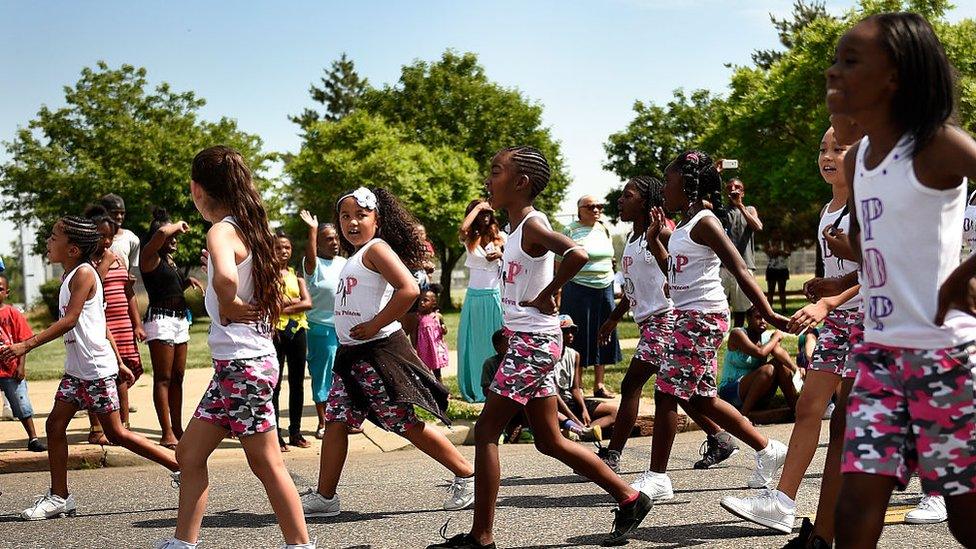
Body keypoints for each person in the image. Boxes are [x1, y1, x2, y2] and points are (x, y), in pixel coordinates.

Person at [429, 147, 651, 549]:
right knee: (549, 440)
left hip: (533, 344)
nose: (487, 179)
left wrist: (550, 292)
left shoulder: (532, 224)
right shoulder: (514, 230)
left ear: (521, 183)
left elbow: (577, 253)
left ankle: (482, 537)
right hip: (531, 341)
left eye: (495, 171)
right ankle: (630, 498)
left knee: (485, 432)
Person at [823, 13, 976, 548]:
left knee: (966, 518)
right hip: (879, 356)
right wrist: (850, 269)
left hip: (946, 359)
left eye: (850, 61)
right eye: (834, 60)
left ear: (894, 77)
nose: (834, 72)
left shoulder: (938, 145)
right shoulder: (861, 158)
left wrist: (965, 273)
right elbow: (872, 243)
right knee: (855, 508)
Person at [158, 146, 312, 549]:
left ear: (197, 189)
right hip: (240, 366)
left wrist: (228, 302)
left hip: (242, 367)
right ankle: (183, 543)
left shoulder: (222, 231)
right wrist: (231, 297)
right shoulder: (251, 230)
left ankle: (300, 545)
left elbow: (227, 279)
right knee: (189, 454)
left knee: (266, 462)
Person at [721, 123, 865, 546]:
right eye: (823, 148)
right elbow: (847, 272)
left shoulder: (867, 207)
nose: (827, 155)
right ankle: (781, 503)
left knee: (845, 426)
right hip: (839, 323)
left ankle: (831, 528)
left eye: (838, 149)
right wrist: (824, 286)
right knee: (808, 408)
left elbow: (880, 270)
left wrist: (830, 300)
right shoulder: (828, 210)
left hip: (870, 323)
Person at [301, 186, 475, 520]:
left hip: (376, 352)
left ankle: (467, 474)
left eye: (361, 216)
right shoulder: (356, 255)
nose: (352, 222)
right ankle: (325, 497)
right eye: (345, 216)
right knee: (336, 420)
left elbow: (408, 288)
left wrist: (374, 323)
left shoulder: (376, 248)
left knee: (403, 423)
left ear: (377, 220)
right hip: (352, 356)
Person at [630, 150, 790, 509]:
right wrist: (656, 239)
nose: (663, 190)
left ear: (687, 185)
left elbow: (740, 269)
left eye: (668, 182)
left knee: (667, 390)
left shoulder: (705, 221)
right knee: (700, 398)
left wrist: (768, 312)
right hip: (688, 315)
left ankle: (657, 477)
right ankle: (768, 449)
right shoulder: (686, 224)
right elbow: (674, 270)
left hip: (702, 317)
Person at [1, 216, 179, 521]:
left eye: (55, 237)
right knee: (55, 426)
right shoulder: (73, 275)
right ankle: (60, 497)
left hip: (95, 370)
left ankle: (181, 467)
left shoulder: (82, 274)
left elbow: (69, 320)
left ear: (72, 249)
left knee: (116, 433)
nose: (48, 241)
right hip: (78, 370)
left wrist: (24, 346)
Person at [597, 175, 739, 473]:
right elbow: (635, 286)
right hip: (649, 322)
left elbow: (675, 272)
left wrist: (662, 260)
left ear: (647, 201)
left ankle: (613, 455)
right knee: (686, 394)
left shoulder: (662, 233)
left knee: (632, 383)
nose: (620, 201)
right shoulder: (634, 239)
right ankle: (720, 437)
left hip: (669, 319)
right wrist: (613, 318)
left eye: (628, 195)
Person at [141, 208, 202, 450]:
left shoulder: (169, 260)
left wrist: (185, 283)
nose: (174, 239)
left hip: (179, 321)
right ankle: (166, 432)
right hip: (161, 321)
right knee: (163, 378)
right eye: (170, 236)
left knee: (178, 377)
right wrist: (175, 225)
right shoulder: (149, 257)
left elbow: (167, 287)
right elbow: (161, 234)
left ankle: (178, 428)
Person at [87, 205, 144, 438]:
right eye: (102, 236)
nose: (107, 242)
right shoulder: (87, 264)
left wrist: (137, 323)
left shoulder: (117, 260)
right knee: (100, 375)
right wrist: (105, 263)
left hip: (122, 325)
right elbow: (93, 287)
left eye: (110, 236)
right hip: (102, 326)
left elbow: (128, 292)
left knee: (123, 372)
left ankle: (123, 425)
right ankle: (97, 427)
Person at [558, 194, 622, 398]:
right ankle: (577, 385)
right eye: (590, 206)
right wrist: (559, 287)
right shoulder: (569, 230)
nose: (596, 210)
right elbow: (560, 261)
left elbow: (610, 257)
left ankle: (599, 384)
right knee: (577, 335)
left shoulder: (604, 228)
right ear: (579, 209)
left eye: (599, 206)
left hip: (604, 288)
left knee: (604, 333)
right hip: (578, 288)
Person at [299, 210, 346, 440]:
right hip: (320, 328)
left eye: (336, 238)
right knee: (323, 375)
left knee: (345, 375)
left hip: (344, 328)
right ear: (317, 244)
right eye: (328, 239)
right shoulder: (313, 265)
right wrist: (312, 229)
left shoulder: (344, 263)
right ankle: (323, 422)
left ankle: (344, 419)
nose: (335, 242)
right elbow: (310, 256)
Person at [457, 199, 506, 403]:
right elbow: (463, 228)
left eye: (488, 213)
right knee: (475, 342)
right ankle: (477, 385)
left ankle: (499, 384)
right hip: (475, 297)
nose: (485, 216)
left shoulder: (500, 236)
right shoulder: (469, 237)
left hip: (494, 294)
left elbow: (510, 258)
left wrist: (500, 254)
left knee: (495, 340)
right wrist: (478, 206)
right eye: (481, 213)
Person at [717, 306, 799, 418]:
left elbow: (779, 353)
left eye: (765, 318)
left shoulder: (766, 337)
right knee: (768, 370)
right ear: (748, 319)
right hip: (731, 391)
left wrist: (796, 369)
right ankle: (743, 416)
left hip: (756, 392)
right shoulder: (737, 334)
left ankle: (797, 409)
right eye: (758, 317)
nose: (763, 321)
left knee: (779, 364)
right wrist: (776, 338)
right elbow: (760, 352)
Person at [272, 229, 313, 452]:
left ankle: (295, 432)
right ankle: (276, 434)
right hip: (276, 332)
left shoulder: (295, 274)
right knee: (275, 385)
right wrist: (293, 301)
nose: (283, 251)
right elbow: (273, 304)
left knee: (297, 383)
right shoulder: (267, 275)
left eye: (286, 247)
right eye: (278, 248)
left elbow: (308, 303)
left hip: (297, 330)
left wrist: (287, 303)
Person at [0, 275, 45, 452]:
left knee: (21, 404)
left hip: (10, 369)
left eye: (0, 289)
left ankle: (33, 438)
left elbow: (23, 340)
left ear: (7, 292)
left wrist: (21, 366)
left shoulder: (13, 314)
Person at [554, 315, 615, 440]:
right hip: (556, 403)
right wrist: (574, 418)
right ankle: (578, 429)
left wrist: (583, 410)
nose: (570, 335)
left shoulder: (574, 355)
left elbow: (575, 389)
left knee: (615, 412)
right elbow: (555, 394)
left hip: (571, 401)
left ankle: (586, 431)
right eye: (565, 331)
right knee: (553, 413)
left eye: (573, 331)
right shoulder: (550, 356)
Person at [718, 178, 763, 327]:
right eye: (729, 187)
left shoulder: (749, 209)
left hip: (744, 266)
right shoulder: (721, 212)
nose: (733, 189)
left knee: (741, 308)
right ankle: (722, 333)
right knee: (719, 305)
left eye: (737, 187)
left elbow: (758, 227)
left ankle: (737, 336)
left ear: (742, 192)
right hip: (722, 267)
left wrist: (740, 206)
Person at [413, 284, 449, 383]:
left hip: (435, 348)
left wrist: (444, 328)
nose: (421, 303)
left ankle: (441, 390)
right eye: (420, 300)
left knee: (437, 372)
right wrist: (414, 347)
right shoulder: (418, 318)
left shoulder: (437, 316)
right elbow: (414, 333)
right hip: (423, 349)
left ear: (433, 303)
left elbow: (444, 331)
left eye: (425, 300)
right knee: (425, 370)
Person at [99, 194, 141, 276]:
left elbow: (133, 271)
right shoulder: (93, 238)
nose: (119, 217)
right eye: (115, 213)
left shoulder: (132, 239)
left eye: (122, 213)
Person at [763, 236, 790, 313]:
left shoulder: (783, 243)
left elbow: (788, 253)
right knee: (770, 290)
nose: (777, 234)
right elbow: (769, 253)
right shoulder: (768, 243)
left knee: (782, 290)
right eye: (775, 233)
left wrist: (779, 252)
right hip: (772, 269)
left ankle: (784, 308)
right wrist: (779, 252)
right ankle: (769, 309)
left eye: (778, 233)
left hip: (782, 269)